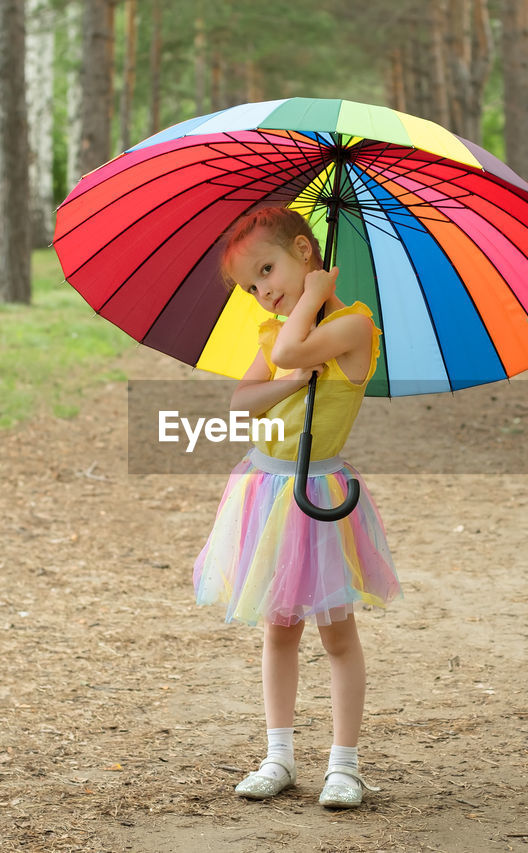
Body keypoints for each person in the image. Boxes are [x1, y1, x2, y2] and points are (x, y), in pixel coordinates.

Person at [192, 206, 401, 809]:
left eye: (267, 271)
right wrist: (289, 382)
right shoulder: (278, 336)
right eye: (251, 288)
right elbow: (242, 402)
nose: (263, 293)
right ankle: (278, 755)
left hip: (321, 497)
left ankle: (345, 765)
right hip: (266, 489)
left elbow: (291, 344)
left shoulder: (355, 327)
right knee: (278, 630)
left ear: (306, 253)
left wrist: (312, 301)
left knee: (337, 637)